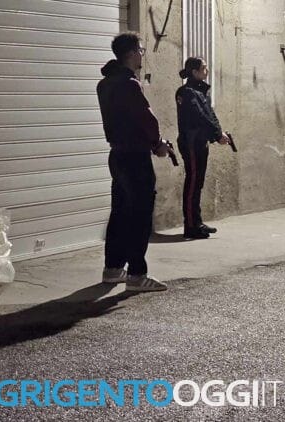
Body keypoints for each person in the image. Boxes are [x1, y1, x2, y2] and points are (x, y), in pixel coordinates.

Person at [96, 32, 172, 291]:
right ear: (130, 53)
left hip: (117, 155)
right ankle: (137, 275)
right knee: (140, 214)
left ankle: (113, 268)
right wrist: (158, 144)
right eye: (140, 49)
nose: (142, 54)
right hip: (135, 157)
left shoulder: (105, 84)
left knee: (120, 211)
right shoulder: (129, 84)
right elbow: (146, 119)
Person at [175, 57, 230, 239]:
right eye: (204, 68)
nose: (207, 71)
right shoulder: (186, 92)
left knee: (197, 183)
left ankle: (197, 222)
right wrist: (217, 135)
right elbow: (200, 117)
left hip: (200, 142)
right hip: (191, 143)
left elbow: (210, 114)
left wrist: (219, 133)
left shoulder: (201, 92)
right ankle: (190, 226)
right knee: (192, 183)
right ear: (195, 72)